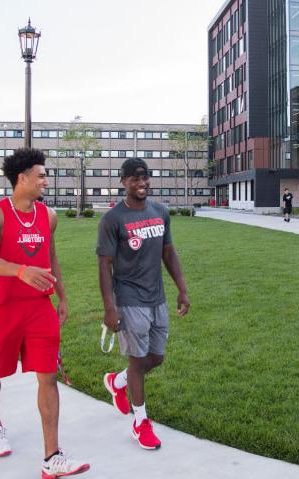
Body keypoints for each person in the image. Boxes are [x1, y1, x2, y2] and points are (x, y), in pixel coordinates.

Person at [0, 148, 89, 478]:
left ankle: (52, 456)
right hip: (2, 307)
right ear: (22, 178)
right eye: (41, 175)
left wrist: (62, 296)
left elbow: (52, 258)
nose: (46, 180)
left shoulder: (48, 215)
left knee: (48, 376)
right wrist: (21, 271)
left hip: (39, 308)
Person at [97, 157, 190, 450]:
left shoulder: (160, 212)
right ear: (123, 182)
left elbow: (169, 253)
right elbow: (104, 265)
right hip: (129, 298)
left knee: (157, 357)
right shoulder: (112, 220)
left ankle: (118, 381)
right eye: (135, 179)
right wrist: (110, 308)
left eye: (145, 177)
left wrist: (182, 289)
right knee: (138, 361)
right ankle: (141, 422)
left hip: (157, 297)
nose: (142, 183)